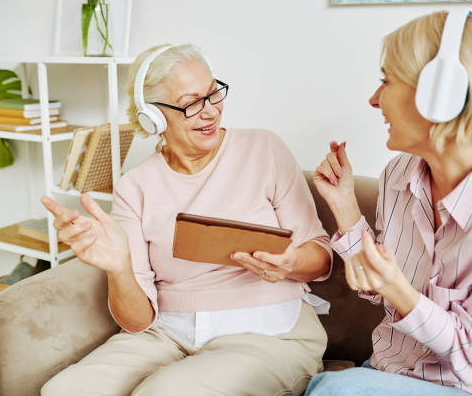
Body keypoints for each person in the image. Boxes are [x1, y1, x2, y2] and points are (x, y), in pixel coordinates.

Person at [40, 44, 332, 396]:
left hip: (267, 330)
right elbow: (137, 321)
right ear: (153, 117)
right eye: (192, 102)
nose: (209, 112)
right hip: (167, 333)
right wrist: (119, 268)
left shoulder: (264, 149)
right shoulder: (135, 187)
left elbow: (322, 258)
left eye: (213, 94)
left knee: (164, 392)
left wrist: (291, 263)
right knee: (64, 391)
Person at [307, 11, 472, 396]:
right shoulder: (399, 175)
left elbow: (471, 358)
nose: (374, 99)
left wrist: (398, 289)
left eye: (386, 81)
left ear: (440, 96)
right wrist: (345, 206)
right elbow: (380, 287)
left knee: (335, 391)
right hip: (391, 374)